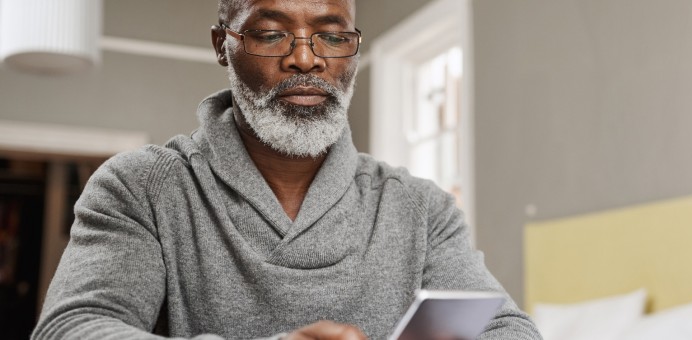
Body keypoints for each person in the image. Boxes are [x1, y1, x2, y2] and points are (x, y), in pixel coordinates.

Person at [30, 0, 542, 339]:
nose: (306, 59)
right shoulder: (143, 186)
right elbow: (73, 327)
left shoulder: (420, 207)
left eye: (332, 37)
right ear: (221, 46)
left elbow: (509, 330)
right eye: (272, 34)